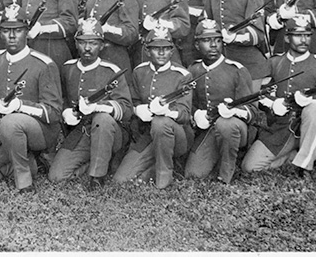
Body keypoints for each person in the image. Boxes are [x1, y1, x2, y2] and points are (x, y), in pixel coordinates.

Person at [0, 0, 63, 192]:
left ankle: (24, 180)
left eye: (17, 30)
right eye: (5, 30)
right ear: (0, 32)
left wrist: (20, 106)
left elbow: (54, 112)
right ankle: (30, 164)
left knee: (12, 123)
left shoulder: (44, 64)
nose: (11, 36)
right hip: (4, 130)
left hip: (40, 131)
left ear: (27, 32)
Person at [241, 14, 316, 176]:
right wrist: (274, 104)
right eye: (298, 36)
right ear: (287, 38)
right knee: (249, 167)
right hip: (280, 129)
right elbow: (261, 95)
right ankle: (293, 157)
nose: (304, 40)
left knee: (314, 110)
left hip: (309, 127)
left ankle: (305, 166)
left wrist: (313, 99)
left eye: (307, 35)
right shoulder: (274, 63)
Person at [50, 18, 132, 188]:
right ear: (76, 44)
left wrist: (99, 107)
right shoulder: (68, 68)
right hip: (82, 131)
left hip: (109, 131)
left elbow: (126, 108)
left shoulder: (111, 71)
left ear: (102, 46)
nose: (87, 48)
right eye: (82, 43)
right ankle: (103, 161)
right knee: (57, 176)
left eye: (93, 43)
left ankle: (97, 176)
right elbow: (62, 98)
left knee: (102, 119)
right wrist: (66, 112)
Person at [113, 22, 193, 189]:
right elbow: (132, 102)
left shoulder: (182, 75)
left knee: (160, 122)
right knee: (121, 179)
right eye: (156, 48)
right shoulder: (139, 72)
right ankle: (154, 167)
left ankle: (164, 175)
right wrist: (137, 109)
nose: (162, 52)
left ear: (172, 50)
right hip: (147, 135)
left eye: (166, 48)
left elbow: (185, 114)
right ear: (147, 51)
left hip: (176, 134)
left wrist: (166, 111)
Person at [185, 19, 262, 184]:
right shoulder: (193, 70)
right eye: (207, 40)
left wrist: (235, 112)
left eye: (218, 40)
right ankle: (215, 155)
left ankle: (225, 175)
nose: (213, 45)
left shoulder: (237, 71)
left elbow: (254, 112)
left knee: (226, 125)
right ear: (197, 45)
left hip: (236, 128)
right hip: (208, 130)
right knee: (194, 174)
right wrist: (196, 113)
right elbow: (186, 103)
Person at [204, 0, 270, 91]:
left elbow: (258, 34)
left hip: (250, 64)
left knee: (249, 110)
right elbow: (206, 22)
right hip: (222, 63)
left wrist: (235, 38)